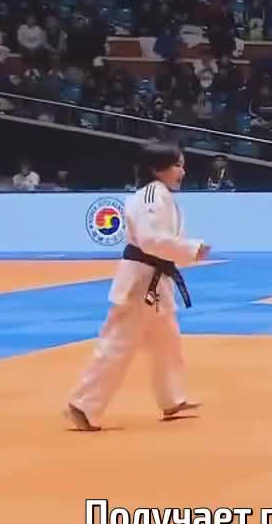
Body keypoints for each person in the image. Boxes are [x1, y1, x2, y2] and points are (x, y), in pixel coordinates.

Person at [64, 141, 210, 431]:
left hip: (154, 280)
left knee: (167, 341)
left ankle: (172, 398)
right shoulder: (150, 196)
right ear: (157, 168)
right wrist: (191, 249)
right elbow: (150, 240)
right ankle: (84, 404)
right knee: (119, 342)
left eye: (182, 164)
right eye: (177, 165)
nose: (182, 171)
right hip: (141, 281)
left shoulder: (161, 195)